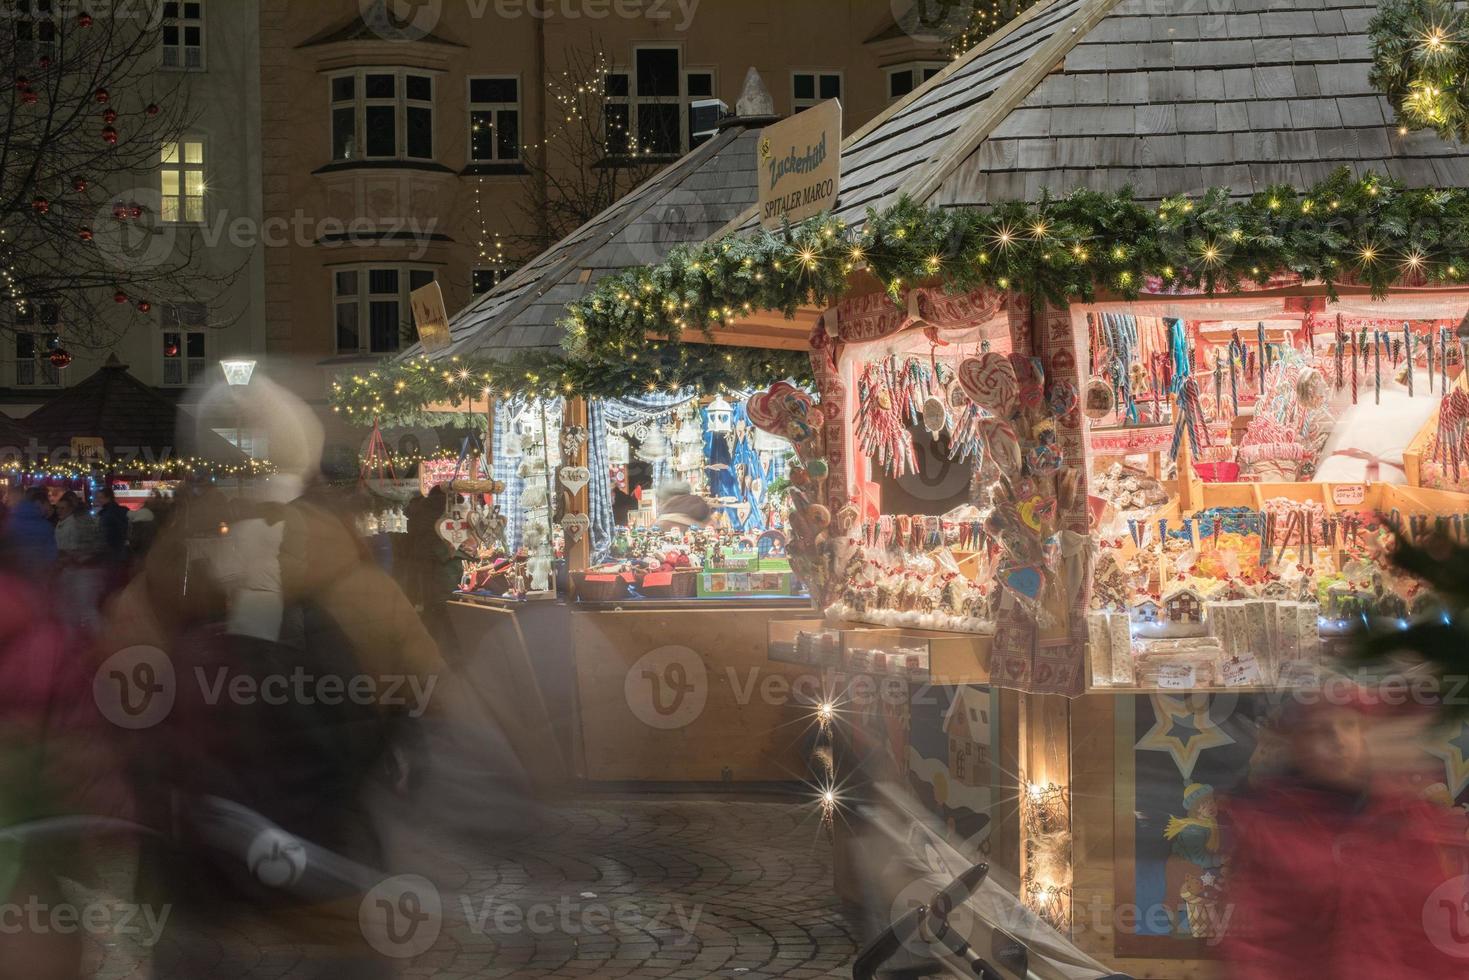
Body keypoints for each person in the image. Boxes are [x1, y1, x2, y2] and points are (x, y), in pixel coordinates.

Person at [1222, 692, 1469, 978]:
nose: (1339, 741)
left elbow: (1441, 929)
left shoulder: (1409, 817)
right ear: (1299, 744)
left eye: (1349, 725)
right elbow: (1253, 941)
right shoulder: (1271, 826)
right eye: (1321, 731)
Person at [2, 486, 56, 569]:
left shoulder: (9, 521)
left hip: (14, 573)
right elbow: (50, 555)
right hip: (37, 572)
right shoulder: (44, 525)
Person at [96, 487, 130, 563]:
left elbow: (107, 533)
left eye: (101, 497)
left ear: (109, 498)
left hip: (112, 549)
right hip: (120, 548)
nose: (98, 500)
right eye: (98, 498)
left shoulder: (108, 513)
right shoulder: (120, 510)